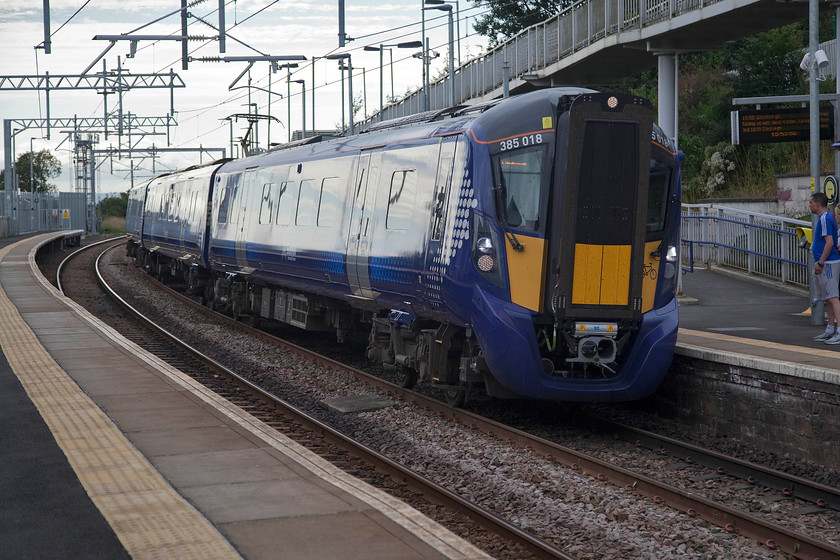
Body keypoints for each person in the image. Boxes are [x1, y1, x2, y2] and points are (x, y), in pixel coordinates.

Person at [809, 193, 840, 343]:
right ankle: (830, 329)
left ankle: (839, 330)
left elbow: (829, 242)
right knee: (829, 298)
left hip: (828, 263)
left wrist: (820, 262)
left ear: (817, 203)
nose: (810, 206)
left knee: (833, 297)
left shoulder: (824, 219)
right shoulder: (827, 218)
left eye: (811, 203)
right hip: (827, 262)